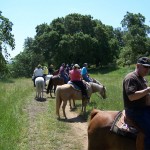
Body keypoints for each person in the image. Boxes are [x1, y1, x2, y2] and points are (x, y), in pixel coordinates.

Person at [123, 57, 150, 149]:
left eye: (149, 67)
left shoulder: (142, 78)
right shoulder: (131, 78)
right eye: (145, 67)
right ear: (138, 66)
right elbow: (132, 96)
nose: (148, 70)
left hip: (144, 108)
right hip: (135, 111)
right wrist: (148, 90)